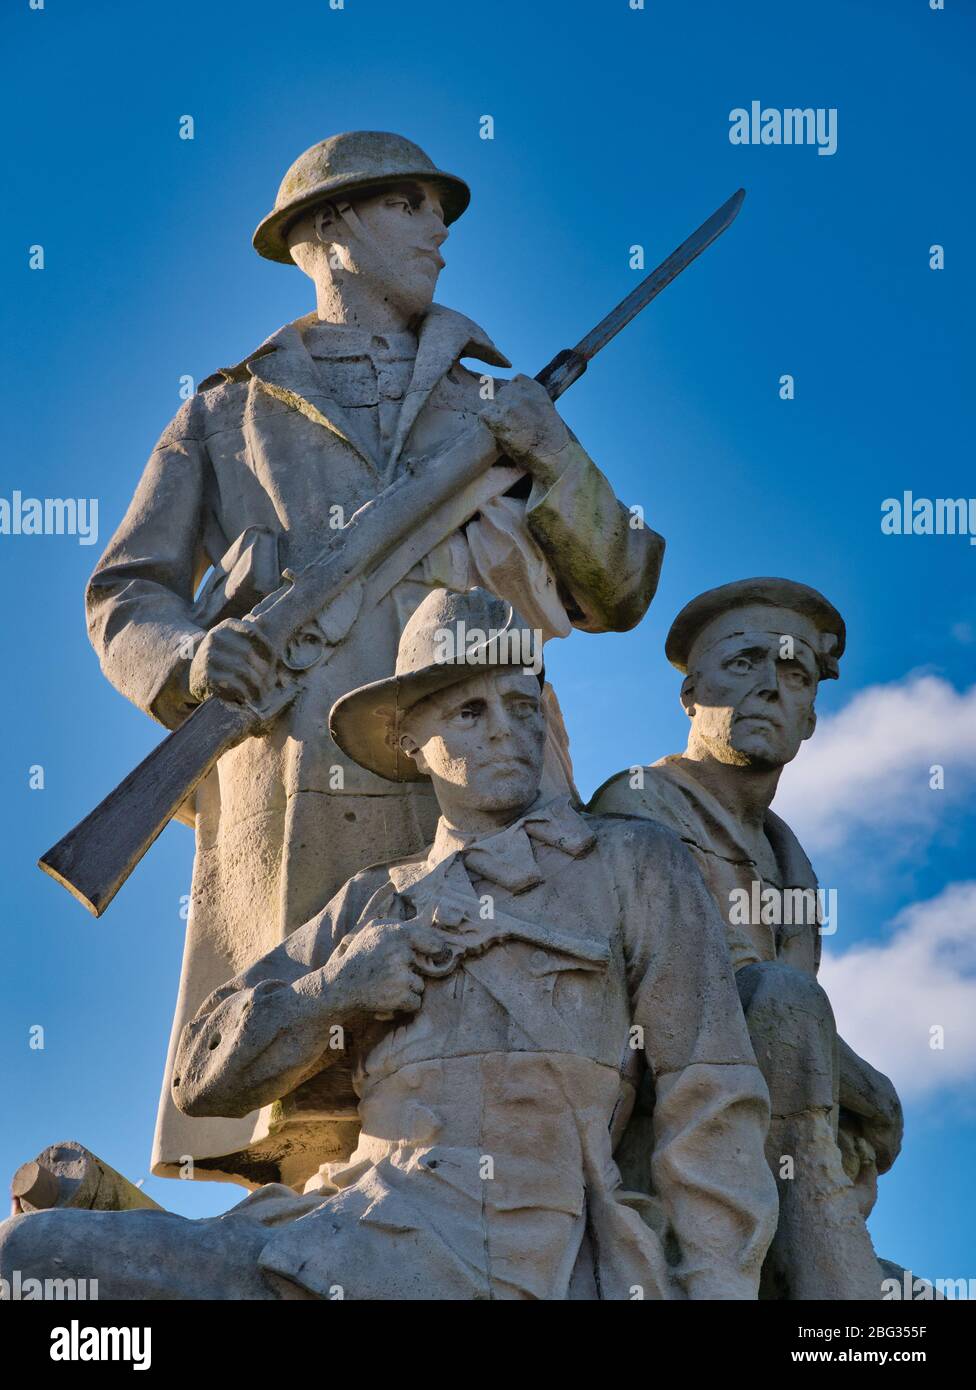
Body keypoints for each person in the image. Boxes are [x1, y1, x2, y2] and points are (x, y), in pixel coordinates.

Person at [85, 131, 664, 1187]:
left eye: (435, 208)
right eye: (407, 204)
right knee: (312, 1102)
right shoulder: (227, 408)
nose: (438, 229)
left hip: (487, 775)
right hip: (296, 781)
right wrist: (193, 660)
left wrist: (555, 453)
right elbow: (127, 592)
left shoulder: (497, 406)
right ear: (330, 232)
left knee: (524, 1069)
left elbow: (618, 584)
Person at [3, 589, 776, 1300]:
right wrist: (334, 992)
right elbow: (200, 1079)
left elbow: (710, 1095)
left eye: (521, 704)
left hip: (519, 1248)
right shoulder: (376, 898)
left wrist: (713, 1290)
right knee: (33, 1256)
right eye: (470, 712)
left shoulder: (635, 864)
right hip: (353, 1223)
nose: (508, 732)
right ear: (412, 742)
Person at [589, 577, 903, 1299]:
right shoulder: (640, 805)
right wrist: (875, 1095)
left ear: (812, 716)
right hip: (666, 1138)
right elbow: (724, 999)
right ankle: (833, 1277)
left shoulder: (789, 856)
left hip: (766, 1146)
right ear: (690, 695)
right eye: (743, 664)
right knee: (782, 995)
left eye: (793, 675)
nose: (768, 688)